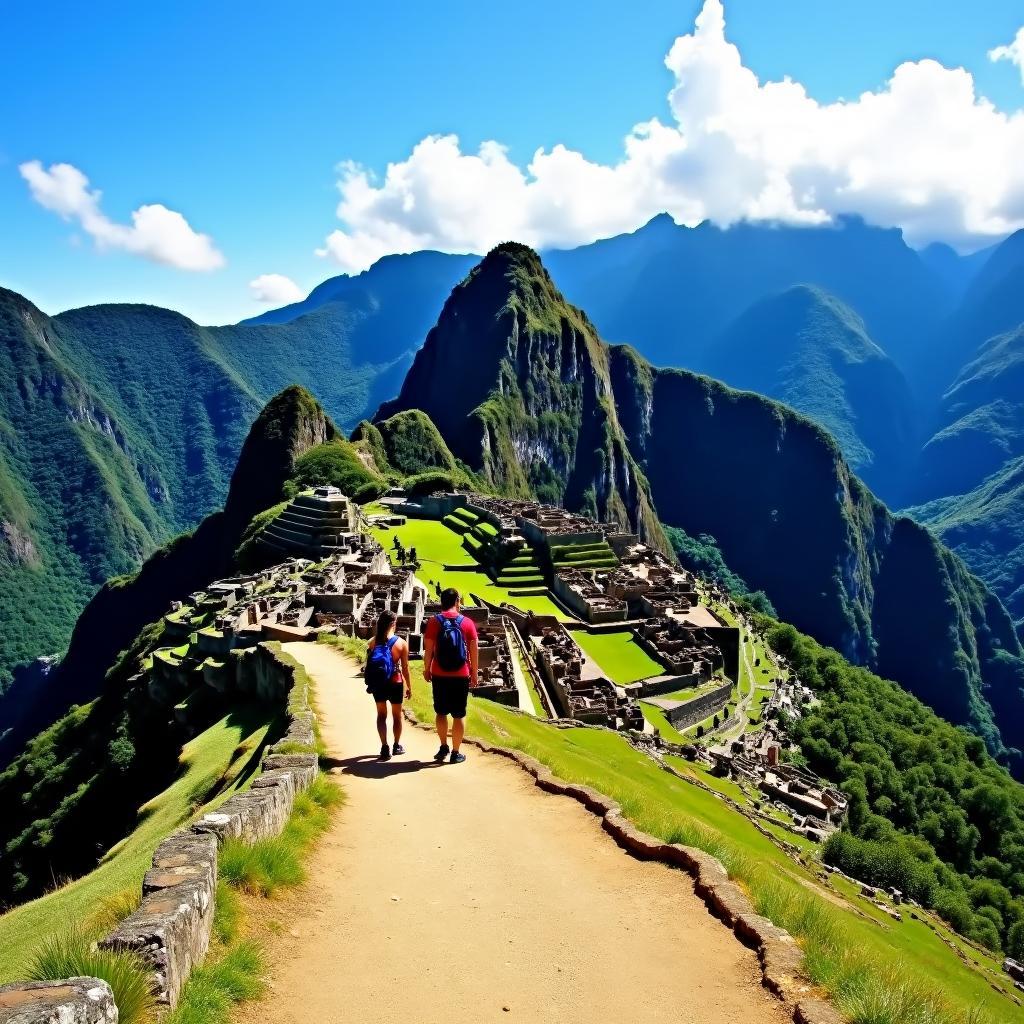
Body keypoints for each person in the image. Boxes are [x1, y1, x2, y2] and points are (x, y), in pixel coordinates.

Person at [422, 588, 478, 764]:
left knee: (441, 712)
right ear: (457, 601)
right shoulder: (467, 622)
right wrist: (474, 673)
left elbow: (428, 649)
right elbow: (474, 651)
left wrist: (427, 669)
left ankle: (443, 746)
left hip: (439, 673)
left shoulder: (433, 622)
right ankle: (456, 752)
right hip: (461, 674)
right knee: (459, 714)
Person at [365, 610, 411, 761]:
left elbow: (369, 664)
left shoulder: (372, 642)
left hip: (378, 684)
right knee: (397, 716)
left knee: (381, 716)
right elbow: (405, 668)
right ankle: (397, 745)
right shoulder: (401, 643)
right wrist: (409, 686)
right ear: (393, 624)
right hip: (395, 682)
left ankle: (384, 747)